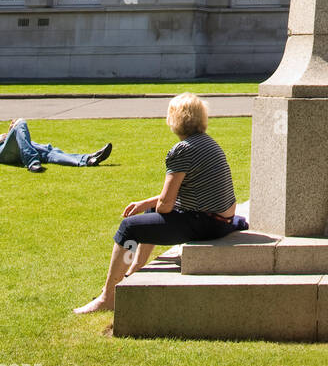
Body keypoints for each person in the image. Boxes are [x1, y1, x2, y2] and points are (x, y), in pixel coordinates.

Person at [74, 92, 238, 315]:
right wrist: (146, 203)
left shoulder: (182, 150)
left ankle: (108, 297)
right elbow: (180, 195)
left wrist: (153, 205)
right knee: (147, 213)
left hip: (205, 223)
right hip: (221, 220)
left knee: (129, 229)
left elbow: (166, 206)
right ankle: (134, 269)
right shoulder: (208, 143)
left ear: (175, 118)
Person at [0, 118, 111, 172]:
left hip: (12, 148)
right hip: (3, 151)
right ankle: (32, 162)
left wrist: (11, 132)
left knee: (48, 151)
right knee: (21, 122)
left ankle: (88, 160)